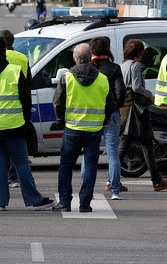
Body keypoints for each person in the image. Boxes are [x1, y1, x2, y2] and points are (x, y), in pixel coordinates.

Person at [0, 37, 54, 211]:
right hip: (14, 125)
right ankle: (33, 200)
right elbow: (26, 101)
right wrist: (25, 123)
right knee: (21, 162)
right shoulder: (15, 71)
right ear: (4, 52)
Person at [52, 43, 113, 213]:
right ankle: (85, 203)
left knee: (66, 165)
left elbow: (57, 102)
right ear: (91, 57)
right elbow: (110, 104)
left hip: (72, 127)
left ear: (75, 58)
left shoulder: (67, 77)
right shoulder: (102, 78)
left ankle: (64, 202)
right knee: (91, 165)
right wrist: (104, 119)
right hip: (94, 129)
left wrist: (60, 119)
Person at [118, 39, 167, 192]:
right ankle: (157, 181)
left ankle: (113, 179)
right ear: (139, 53)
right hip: (136, 109)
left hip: (125, 108)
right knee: (142, 143)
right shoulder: (136, 65)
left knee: (130, 142)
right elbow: (137, 87)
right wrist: (150, 95)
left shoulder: (122, 65)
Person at [89, 37, 127, 200]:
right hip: (111, 114)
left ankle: (86, 187)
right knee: (112, 152)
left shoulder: (87, 68)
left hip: (91, 114)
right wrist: (115, 106)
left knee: (89, 152)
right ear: (108, 49)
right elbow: (120, 93)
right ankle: (115, 190)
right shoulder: (114, 68)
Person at [0, 30, 31, 187]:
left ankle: (1, 178)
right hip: (17, 104)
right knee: (17, 149)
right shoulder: (22, 58)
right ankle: (13, 177)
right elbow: (28, 83)